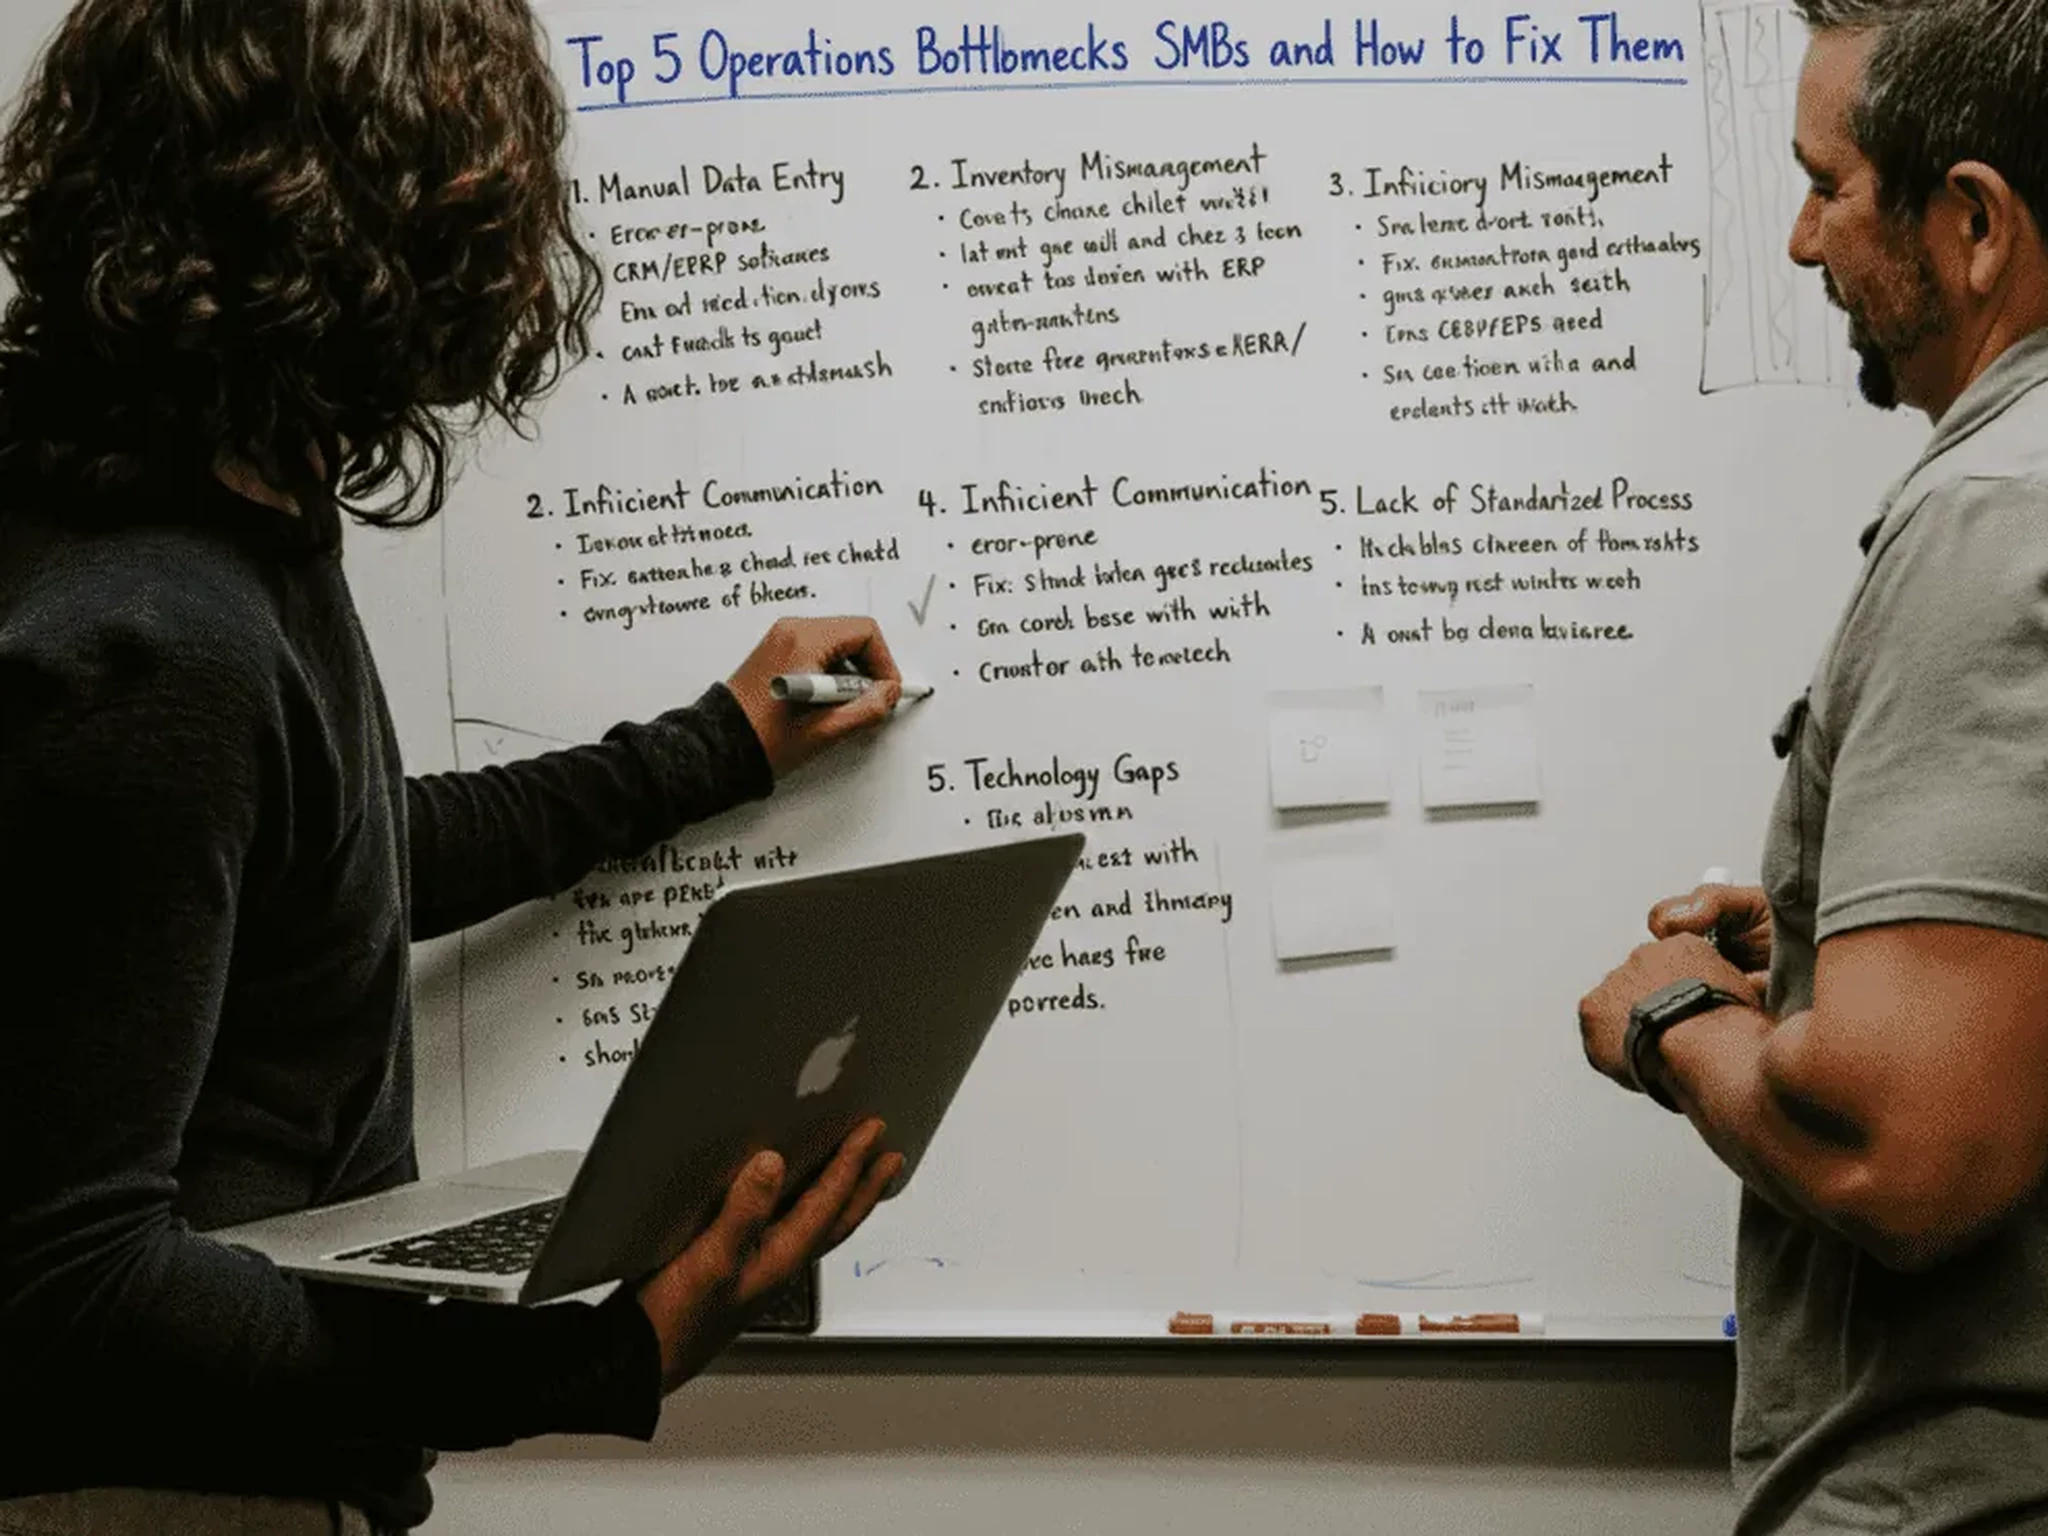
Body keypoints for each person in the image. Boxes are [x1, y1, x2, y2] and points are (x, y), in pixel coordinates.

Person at [0, 1, 907, 1532]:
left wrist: (710, 749)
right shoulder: (151, 636)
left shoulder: (185, 499)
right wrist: (599, 1361)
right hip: (155, 1499)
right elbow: (64, 1289)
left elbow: (320, 868)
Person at [1576, 1, 2048, 1531]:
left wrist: (1670, 1025)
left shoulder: (1989, 519)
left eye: (1828, 184)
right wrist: (1843, 944)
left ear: (1972, 221)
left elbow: (1909, 1158)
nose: (1797, 244)